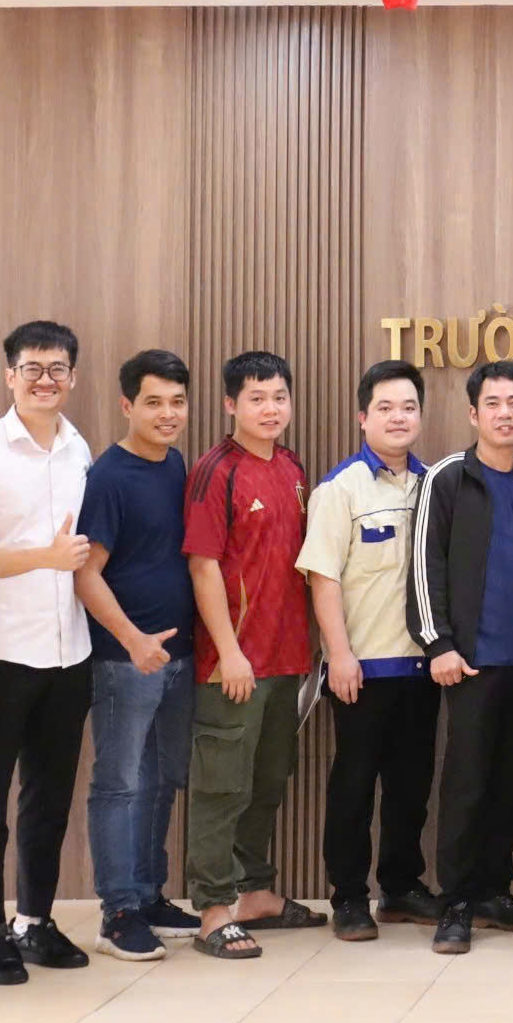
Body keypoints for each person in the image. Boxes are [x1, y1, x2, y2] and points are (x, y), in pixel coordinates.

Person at [0, 320, 96, 985]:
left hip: (68, 650)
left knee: (49, 798)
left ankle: (34, 920)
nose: (45, 380)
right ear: (10, 375)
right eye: (32, 368)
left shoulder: (77, 448)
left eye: (57, 368)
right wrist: (46, 557)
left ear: (73, 377)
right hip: (1, 651)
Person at [411, 360, 513, 953]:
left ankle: (495, 890)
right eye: (492, 403)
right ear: (474, 414)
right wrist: (438, 643)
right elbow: (425, 565)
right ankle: (457, 901)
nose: (504, 413)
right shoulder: (448, 477)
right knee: (467, 782)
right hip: (471, 661)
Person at [183, 351, 321, 960]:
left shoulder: (291, 467)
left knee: (266, 782)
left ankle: (256, 893)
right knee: (222, 788)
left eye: (279, 397)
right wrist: (229, 652)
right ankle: (214, 910)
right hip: (233, 664)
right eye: (257, 398)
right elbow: (203, 565)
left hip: (287, 660)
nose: (270, 409)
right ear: (230, 404)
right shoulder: (216, 471)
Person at [299, 360, 440, 942]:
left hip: (424, 666)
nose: (398, 417)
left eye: (408, 407)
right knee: (354, 786)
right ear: (363, 417)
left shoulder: (433, 484)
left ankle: (401, 887)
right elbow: (322, 577)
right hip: (362, 667)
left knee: (411, 785)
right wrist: (339, 654)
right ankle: (349, 897)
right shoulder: (341, 488)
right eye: (385, 408)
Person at [75, 349, 203, 962]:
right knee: (120, 783)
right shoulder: (108, 477)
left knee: (160, 778)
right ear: (127, 405)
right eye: (153, 402)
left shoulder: (176, 464)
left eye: (177, 402)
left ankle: (149, 895)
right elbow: (86, 573)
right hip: (124, 660)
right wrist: (132, 639)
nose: (167, 414)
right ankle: (118, 911)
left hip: (178, 656)